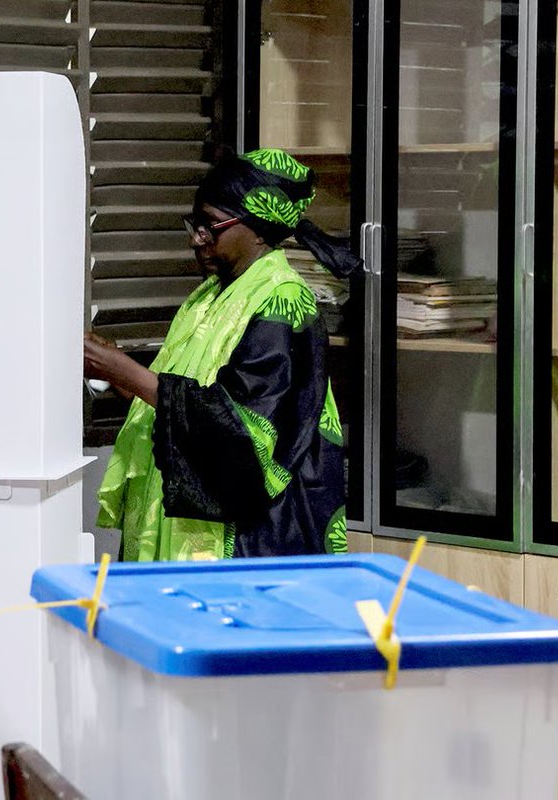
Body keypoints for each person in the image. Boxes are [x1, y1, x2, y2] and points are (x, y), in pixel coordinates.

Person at [85, 148, 358, 561]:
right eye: (195, 223)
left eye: (211, 225)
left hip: (244, 542)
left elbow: (240, 428)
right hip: (176, 527)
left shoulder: (283, 302)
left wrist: (125, 371)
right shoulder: (210, 297)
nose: (197, 237)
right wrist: (119, 372)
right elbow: (176, 405)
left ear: (258, 228)